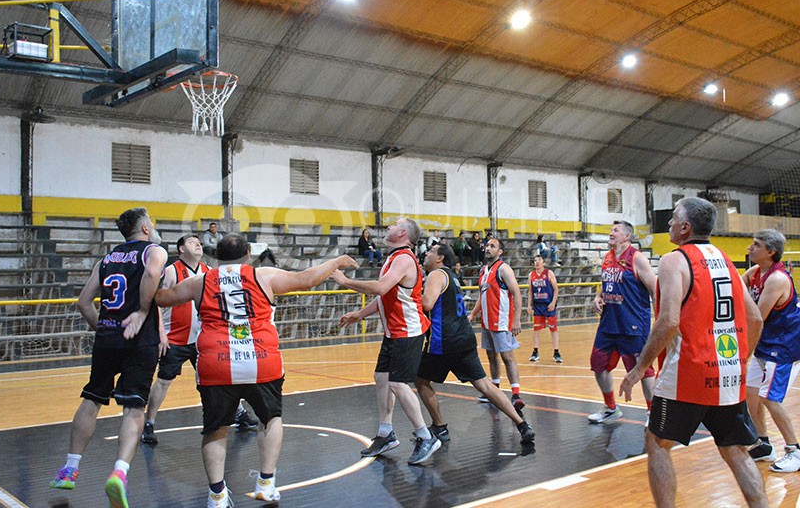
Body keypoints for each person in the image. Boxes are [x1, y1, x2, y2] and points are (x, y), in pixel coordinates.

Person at [155, 233, 357, 507]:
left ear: (216, 256)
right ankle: (266, 483)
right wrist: (336, 261)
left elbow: (161, 298)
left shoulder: (199, 281)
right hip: (261, 359)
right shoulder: (264, 275)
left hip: (217, 362)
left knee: (215, 429)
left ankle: (216, 495)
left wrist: (149, 274)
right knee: (270, 419)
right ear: (248, 254)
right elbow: (308, 278)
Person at [619, 197, 766, 508]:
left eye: (674, 219)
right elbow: (755, 318)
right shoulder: (725, 259)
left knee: (658, 443)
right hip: (727, 373)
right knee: (736, 450)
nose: (670, 224)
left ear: (685, 228)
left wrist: (638, 369)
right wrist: (742, 359)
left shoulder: (675, 260)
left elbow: (669, 320)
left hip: (687, 372)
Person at [49, 207, 167, 508]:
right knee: (133, 409)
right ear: (143, 229)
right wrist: (141, 312)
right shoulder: (153, 251)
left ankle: (70, 469)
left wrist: (102, 327)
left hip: (108, 338)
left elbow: (83, 302)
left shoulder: (107, 259)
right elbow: (153, 274)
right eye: (150, 223)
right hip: (139, 340)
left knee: (92, 399)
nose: (153, 227)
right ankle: (119, 472)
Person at [333, 217, 441, 465]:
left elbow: (380, 288)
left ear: (402, 233)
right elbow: (386, 296)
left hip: (409, 331)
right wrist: (359, 314)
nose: (388, 227)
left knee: (398, 383)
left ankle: (426, 436)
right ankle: (386, 432)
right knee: (381, 378)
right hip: (394, 331)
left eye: (393, 225)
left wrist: (346, 281)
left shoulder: (404, 259)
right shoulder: (393, 258)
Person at [140, 235, 258, 446]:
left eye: (199, 242)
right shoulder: (170, 270)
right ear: (181, 248)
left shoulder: (208, 271)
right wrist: (160, 333)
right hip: (175, 338)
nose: (197, 244)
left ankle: (238, 413)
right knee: (164, 380)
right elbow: (156, 301)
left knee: (219, 379)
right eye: (192, 242)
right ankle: (148, 422)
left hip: (203, 338)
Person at [414, 244, 535, 444]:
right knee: (484, 385)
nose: (426, 254)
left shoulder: (436, 275)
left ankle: (439, 426)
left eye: (431, 251)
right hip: (464, 337)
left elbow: (426, 303)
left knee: (420, 380)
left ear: (440, 258)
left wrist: (406, 294)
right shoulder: (451, 276)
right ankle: (521, 424)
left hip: (444, 340)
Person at [742, 229, 800, 472]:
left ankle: (796, 451)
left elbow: (756, 318)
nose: (750, 248)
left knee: (769, 397)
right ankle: (763, 444)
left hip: (783, 348)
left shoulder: (777, 279)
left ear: (770, 252)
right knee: (750, 393)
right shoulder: (755, 273)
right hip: (766, 345)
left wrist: (743, 349)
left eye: (756, 244)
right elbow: (735, 288)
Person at [588, 220, 657, 423]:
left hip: (633, 324)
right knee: (598, 365)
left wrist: (659, 318)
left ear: (627, 236)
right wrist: (598, 295)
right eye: (610, 229)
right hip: (609, 323)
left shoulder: (637, 259)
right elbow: (607, 281)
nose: (611, 233)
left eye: (615, 230)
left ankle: (652, 413)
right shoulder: (608, 257)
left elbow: (654, 289)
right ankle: (611, 408)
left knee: (642, 370)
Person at [468, 237, 525, 412]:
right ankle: (494, 390)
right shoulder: (483, 270)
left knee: (507, 357)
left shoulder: (503, 269)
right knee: (491, 356)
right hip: (486, 322)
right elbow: (482, 296)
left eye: (492, 246)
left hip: (501, 322)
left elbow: (517, 293)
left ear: (500, 252)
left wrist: (516, 319)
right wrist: (472, 314)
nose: (488, 248)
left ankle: (516, 394)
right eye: (487, 245)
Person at [527, 255, 561, 363]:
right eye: (535, 260)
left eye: (539, 260)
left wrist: (553, 302)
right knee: (536, 329)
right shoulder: (531, 275)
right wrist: (529, 305)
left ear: (544, 263)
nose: (536, 262)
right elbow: (530, 291)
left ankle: (556, 352)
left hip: (548, 305)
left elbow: (556, 289)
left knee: (553, 329)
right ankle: (535, 351)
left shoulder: (549, 273)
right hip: (537, 306)